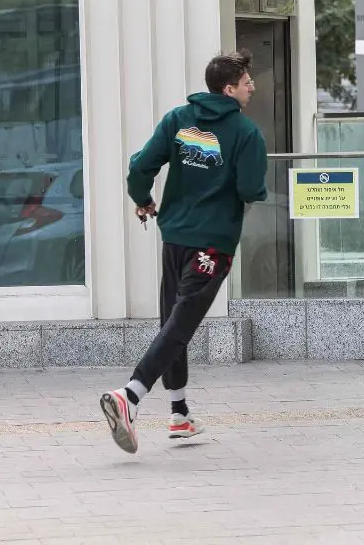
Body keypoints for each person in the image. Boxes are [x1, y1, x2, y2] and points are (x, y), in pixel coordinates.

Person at [99, 51, 268, 454]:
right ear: (229, 89)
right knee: (182, 324)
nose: (252, 87)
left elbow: (142, 165)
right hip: (213, 243)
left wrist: (143, 198)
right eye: (247, 81)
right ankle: (131, 395)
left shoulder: (177, 119)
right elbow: (250, 189)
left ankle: (178, 414)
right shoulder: (246, 133)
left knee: (172, 322)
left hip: (174, 237)